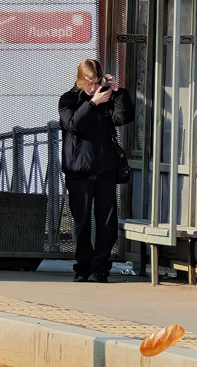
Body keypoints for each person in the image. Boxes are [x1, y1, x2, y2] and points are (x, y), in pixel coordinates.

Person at [59, 58, 133, 282]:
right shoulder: (68, 99)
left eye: (96, 82)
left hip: (106, 169)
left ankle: (99, 266)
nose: (93, 88)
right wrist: (92, 104)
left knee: (107, 222)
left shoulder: (107, 97)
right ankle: (83, 266)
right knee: (81, 222)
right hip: (78, 170)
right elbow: (72, 124)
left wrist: (117, 91)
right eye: (89, 83)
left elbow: (124, 117)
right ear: (81, 80)